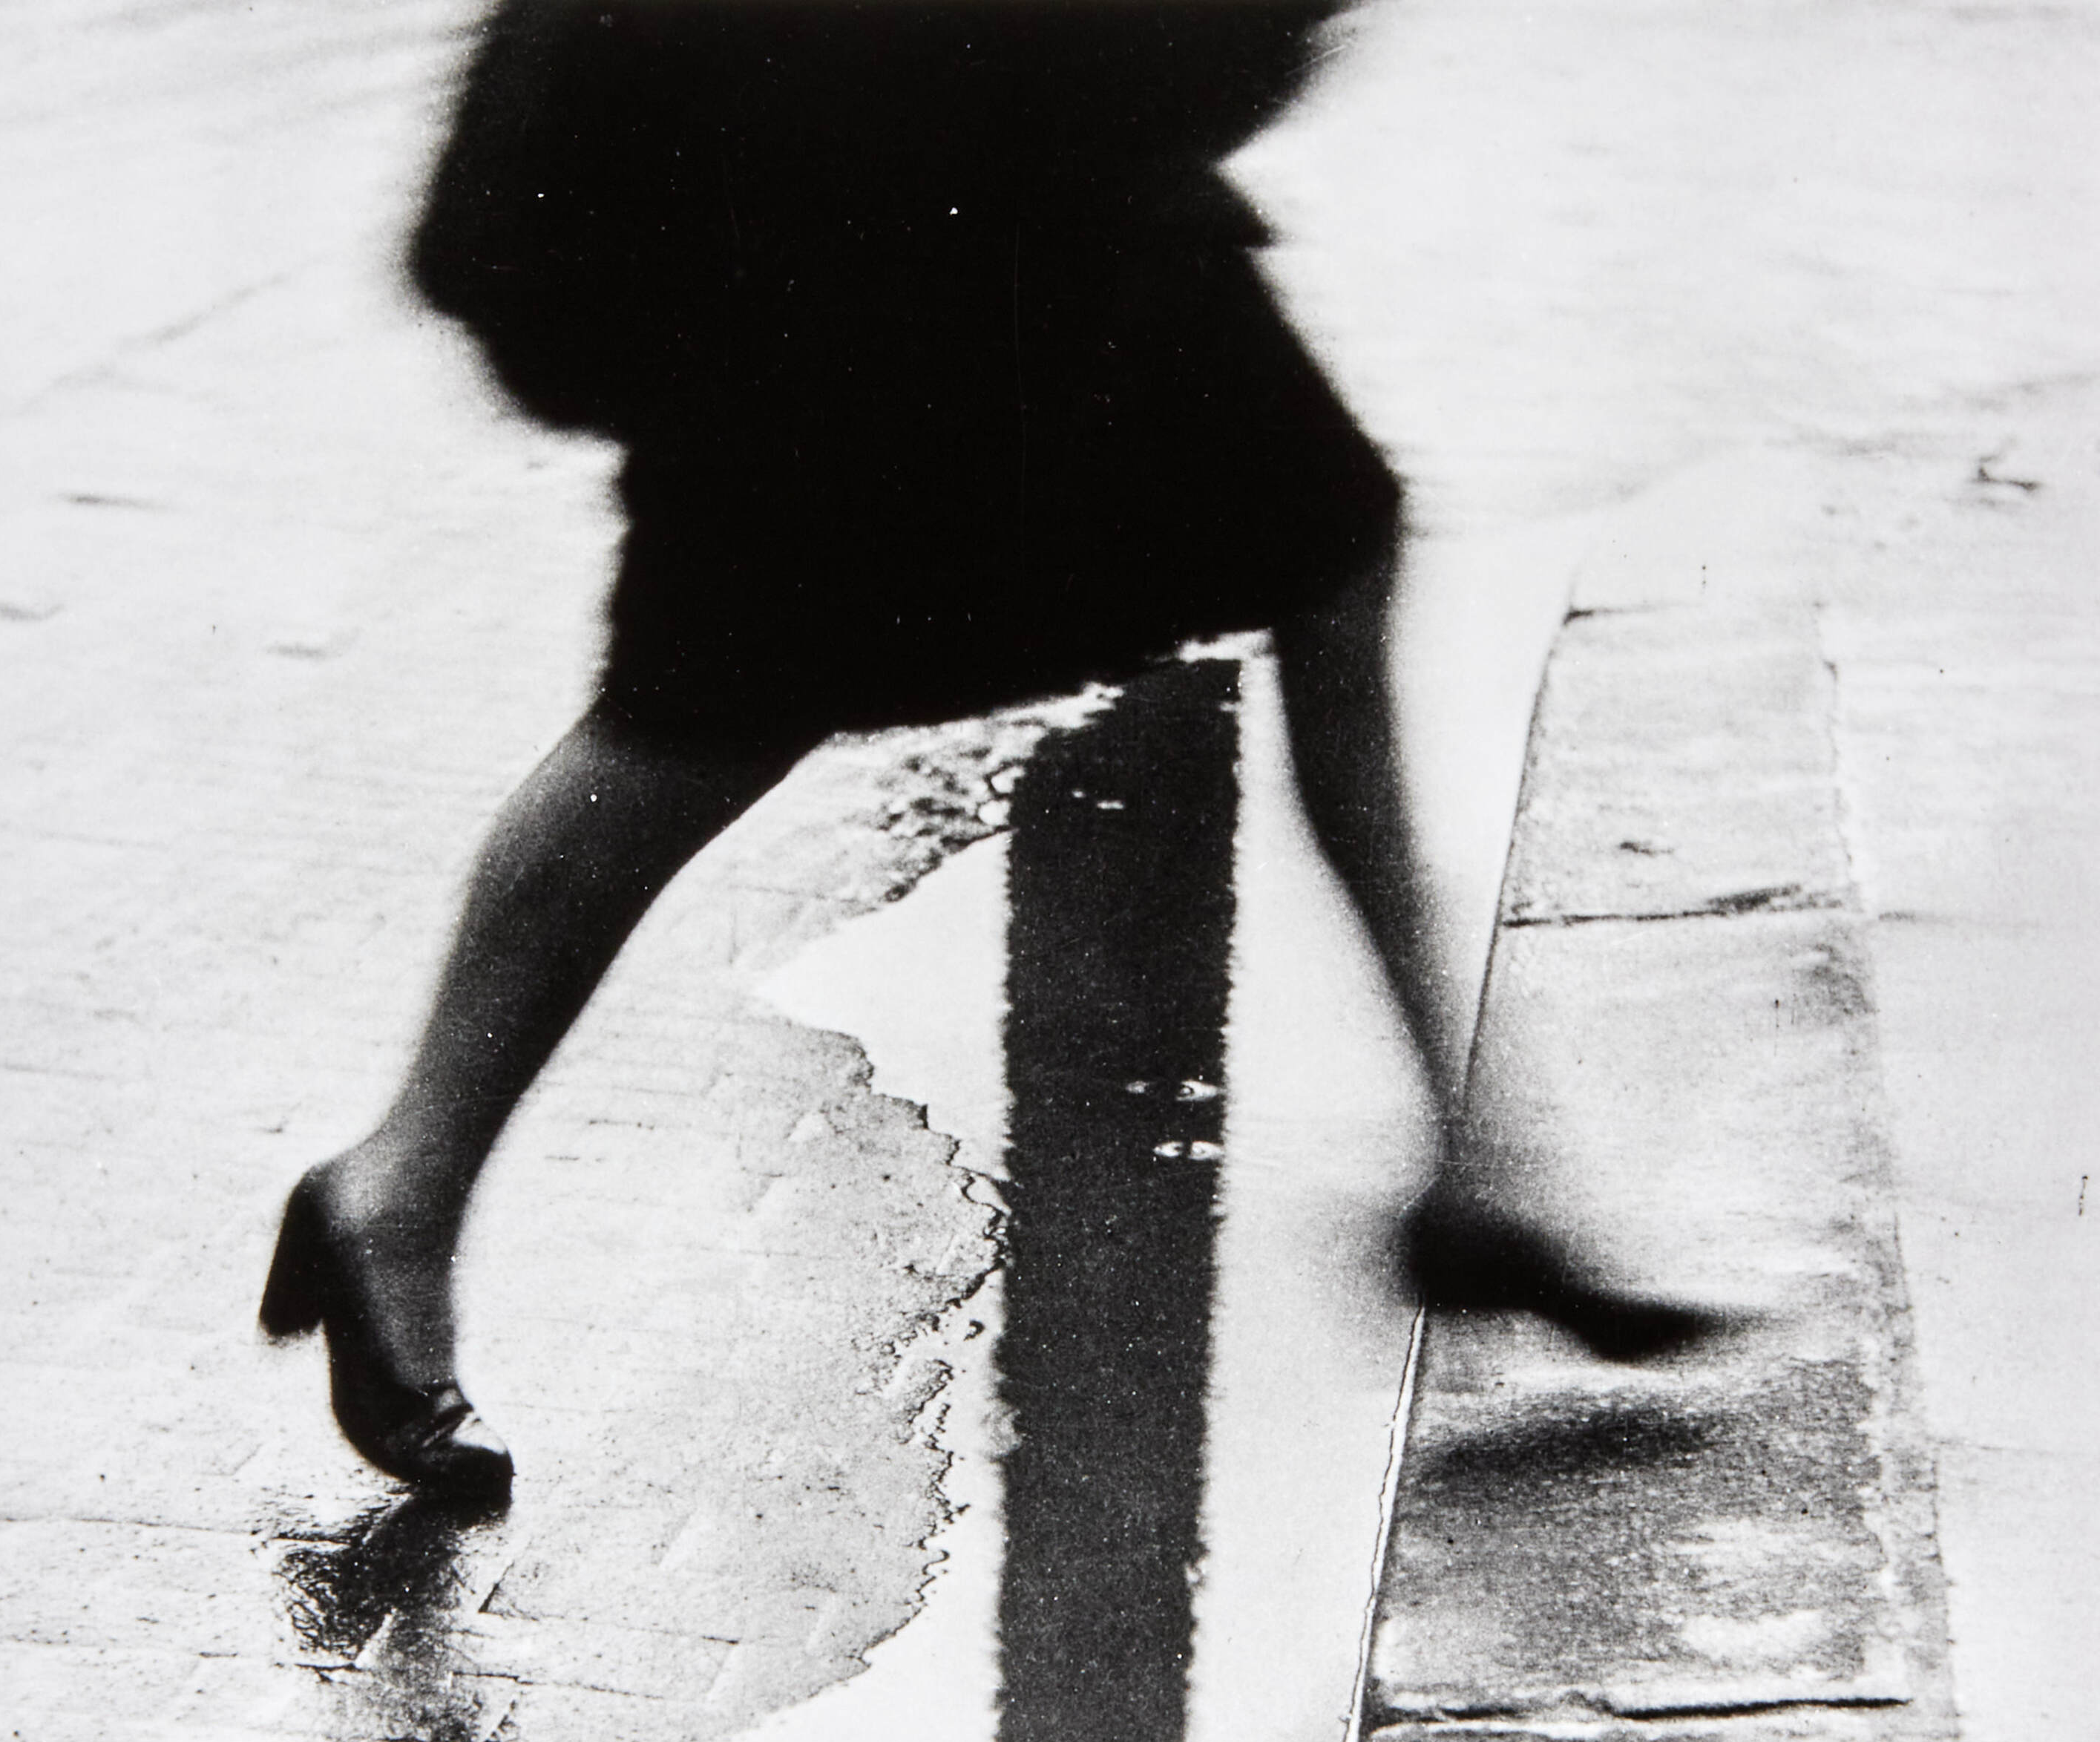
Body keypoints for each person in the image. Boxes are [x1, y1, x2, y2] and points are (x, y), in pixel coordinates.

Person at [263, 0, 1715, 1496]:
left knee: (1326, 545)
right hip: (847, 231)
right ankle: (401, 1189)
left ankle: (1482, 1163)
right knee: (700, 716)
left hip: (1010, 217)